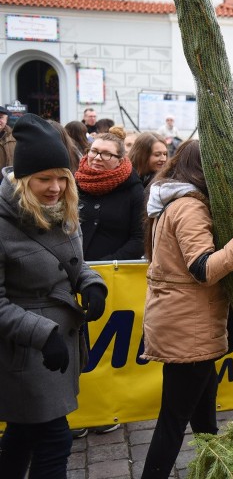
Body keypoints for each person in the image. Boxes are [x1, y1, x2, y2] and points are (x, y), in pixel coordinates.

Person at [140, 140, 233, 478]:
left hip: (188, 324)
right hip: (189, 330)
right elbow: (203, 269)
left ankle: (212, 471)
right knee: (173, 423)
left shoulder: (178, 201)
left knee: (203, 418)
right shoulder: (189, 207)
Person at [0, 114, 108, 477]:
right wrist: (42, 334)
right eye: (44, 178)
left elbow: (75, 263)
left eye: (62, 177)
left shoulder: (63, 209)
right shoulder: (3, 223)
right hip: (24, 352)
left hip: (57, 348)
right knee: (54, 440)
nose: (55, 187)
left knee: (23, 433)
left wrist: (91, 283)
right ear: (22, 178)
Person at [77, 127, 145, 263]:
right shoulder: (75, 182)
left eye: (106, 154)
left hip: (111, 273)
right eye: (94, 151)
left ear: (120, 160)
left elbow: (139, 239)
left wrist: (106, 264)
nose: (97, 158)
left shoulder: (133, 189)